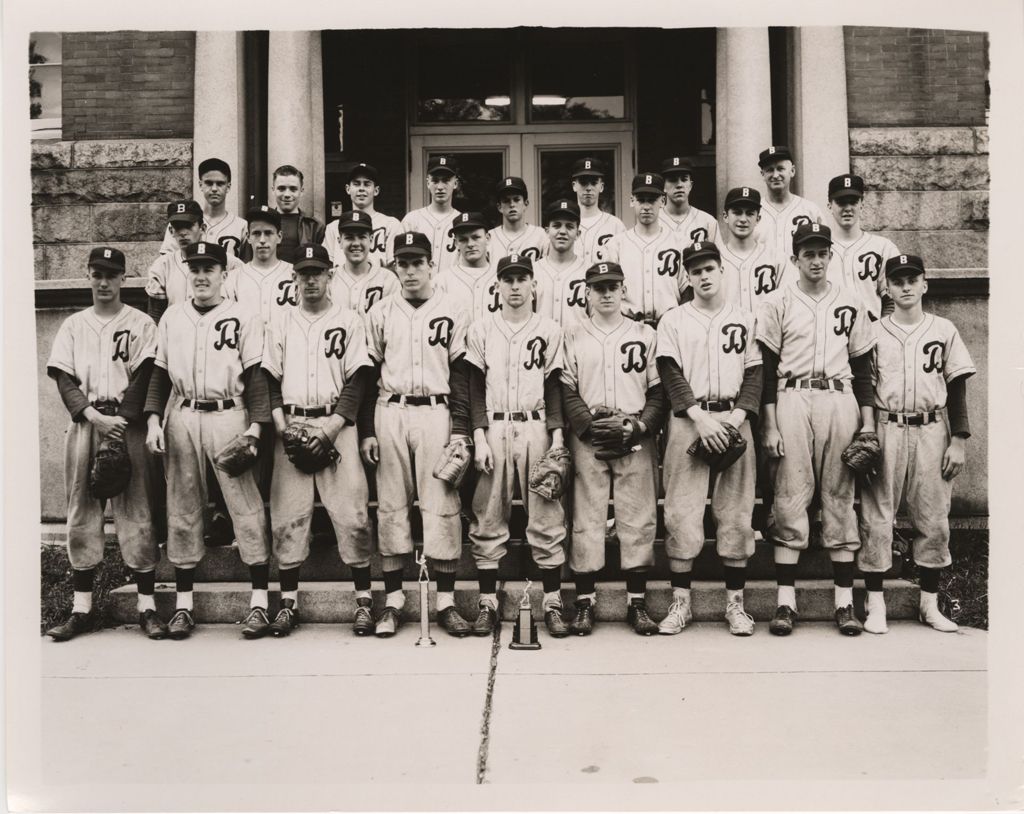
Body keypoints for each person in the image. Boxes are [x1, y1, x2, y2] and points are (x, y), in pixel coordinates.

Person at [143, 241, 272, 640]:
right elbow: (160, 374)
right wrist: (152, 419)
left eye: (209, 268)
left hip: (230, 414)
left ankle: (260, 602)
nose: (201, 275)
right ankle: (184, 607)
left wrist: (256, 427)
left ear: (223, 273)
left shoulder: (244, 315)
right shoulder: (172, 317)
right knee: (182, 507)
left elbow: (256, 376)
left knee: (245, 506)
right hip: (182, 414)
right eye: (194, 268)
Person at [756, 222, 876, 637]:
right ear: (794, 259)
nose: (816, 259)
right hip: (791, 396)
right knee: (790, 493)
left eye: (822, 251)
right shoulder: (777, 302)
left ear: (830, 255)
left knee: (840, 495)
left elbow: (863, 369)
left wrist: (868, 424)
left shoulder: (851, 301)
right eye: (808, 252)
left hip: (839, 397)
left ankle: (845, 603)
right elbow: (767, 370)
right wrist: (768, 423)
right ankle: (785, 603)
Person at [45, 247, 165, 641]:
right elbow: (64, 379)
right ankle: (82, 609)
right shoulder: (74, 325)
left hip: (126, 425)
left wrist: (122, 421)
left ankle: (147, 608)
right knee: (81, 510)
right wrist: (92, 416)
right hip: (86, 423)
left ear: (123, 279)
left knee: (138, 512)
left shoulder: (142, 322)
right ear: (88, 275)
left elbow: (147, 374)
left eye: (111, 275)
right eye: (97, 273)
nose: (103, 282)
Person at [359, 232, 473, 637]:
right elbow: (366, 373)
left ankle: (445, 602)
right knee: (390, 504)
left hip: (437, 412)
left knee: (442, 502)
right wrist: (367, 430)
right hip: (391, 409)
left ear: (430, 264)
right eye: (402, 263)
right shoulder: (380, 311)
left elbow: (461, 373)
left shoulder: (454, 308)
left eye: (416, 262)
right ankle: (393, 601)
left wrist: (461, 428)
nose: (409, 271)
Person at [262, 243, 377, 636]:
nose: (310, 280)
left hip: (337, 425)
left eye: (317, 272)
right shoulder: (280, 322)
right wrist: (283, 429)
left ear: (331, 276)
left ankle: (363, 601)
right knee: (288, 519)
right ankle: (287, 604)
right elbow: (268, 380)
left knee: (354, 516)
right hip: (293, 423)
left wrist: (331, 428)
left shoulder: (350, 319)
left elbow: (359, 380)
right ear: (293, 279)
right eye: (303, 273)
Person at [857, 254, 975, 634]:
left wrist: (958, 439)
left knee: (933, 516)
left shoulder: (943, 328)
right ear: (887, 288)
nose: (905, 286)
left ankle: (929, 604)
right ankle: (875, 604)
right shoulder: (874, 331)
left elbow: (957, 385)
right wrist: (868, 432)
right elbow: (865, 386)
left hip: (931, 427)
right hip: (888, 425)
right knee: (877, 514)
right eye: (898, 280)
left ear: (925, 284)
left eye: (912, 279)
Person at [655, 241, 762, 636]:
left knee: (735, 513)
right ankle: (680, 604)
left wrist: (734, 419)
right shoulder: (674, 319)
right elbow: (669, 373)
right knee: (682, 512)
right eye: (695, 270)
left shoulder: (746, 318)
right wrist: (698, 417)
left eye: (709, 268)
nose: (703, 275)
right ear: (688, 276)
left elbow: (755, 374)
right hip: (689, 419)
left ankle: (735, 605)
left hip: (734, 416)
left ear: (722, 271)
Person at [560, 261, 666, 635]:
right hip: (588, 433)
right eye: (598, 287)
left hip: (633, 431)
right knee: (586, 516)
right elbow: (567, 388)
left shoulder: (645, 333)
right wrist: (588, 429)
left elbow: (658, 391)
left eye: (612, 286)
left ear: (623, 290)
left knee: (637, 517)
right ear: (586, 292)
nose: (606, 293)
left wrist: (640, 427)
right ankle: (585, 603)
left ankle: (636, 603)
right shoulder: (572, 334)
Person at [466, 254, 568, 637]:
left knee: (545, 515)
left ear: (533, 284)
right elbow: (474, 388)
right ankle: (488, 602)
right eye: (507, 279)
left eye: (521, 278)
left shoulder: (549, 329)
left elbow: (555, 384)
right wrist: (478, 435)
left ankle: (553, 602)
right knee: (488, 515)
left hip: (535, 424)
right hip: (495, 425)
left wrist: (557, 436)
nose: (514, 286)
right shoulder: (481, 329)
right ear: (497, 285)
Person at [597, 172, 686, 324]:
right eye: (641, 200)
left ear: (663, 201)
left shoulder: (680, 243)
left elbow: (687, 291)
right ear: (632, 201)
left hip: (669, 324)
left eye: (652, 201)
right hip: (628, 325)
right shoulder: (616, 245)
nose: (646, 207)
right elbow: (606, 290)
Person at [825, 173, 901, 321]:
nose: (848, 208)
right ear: (829, 205)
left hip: (871, 332)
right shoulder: (818, 251)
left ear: (862, 204)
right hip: (830, 335)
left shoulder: (883, 248)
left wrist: (881, 330)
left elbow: (894, 298)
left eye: (853, 202)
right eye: (841, 202)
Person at [756, 146, 825, 280]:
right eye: (769, 170)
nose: (775, 175)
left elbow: (825, 253)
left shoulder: (810, 210)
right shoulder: (752, 213)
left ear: (792, 171)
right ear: (762, 174)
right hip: (762, 290)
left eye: (781, 168)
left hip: (802, 289)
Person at [158, 158, 249, 259]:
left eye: (220, 184)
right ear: (201, 185)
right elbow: (166, 263)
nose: (214, 189)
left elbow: (247, 268)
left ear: (228, 187)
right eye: (209, 183)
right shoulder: (179, 221)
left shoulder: (241, 226)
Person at [323, 163, 403, 270]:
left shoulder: (391, 224)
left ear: (376, 190)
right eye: (356, 184)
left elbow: (395, 266)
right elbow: (327, 266)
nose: (361, 189)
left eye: (367, 184)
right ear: (348, 189)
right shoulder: (333, 227)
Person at [232, 205, 298, 324]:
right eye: (256, 233)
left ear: (279, 237)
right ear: (248, 237)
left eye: (268, 233)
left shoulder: (295, 275)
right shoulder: (233, 279)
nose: (262, 240)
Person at [719, 186, 780, 313]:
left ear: (758, 219)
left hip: (766, 332)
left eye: (750, 213)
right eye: (737, 212)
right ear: (725, 216)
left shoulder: (777, 258)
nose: (743, 219)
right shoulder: (715, 260)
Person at [328, 210, 400, 315]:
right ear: (339, 241)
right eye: (349, 238)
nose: (356, 243)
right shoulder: (329, 280)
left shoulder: (388, 280)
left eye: (362, 237)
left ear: (371, 240)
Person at [533, 199, 589, 329]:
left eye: (569, 226)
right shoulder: (533, 271)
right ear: (547, 231)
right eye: (557, 225)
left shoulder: (590, 271)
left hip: (578, 347)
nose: (562, 231)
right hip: (541, 346)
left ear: (578, 234)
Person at [401, 155, 461, 274]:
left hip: (453, 290)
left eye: (446, 181)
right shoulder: (412, 220)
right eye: (435, 181)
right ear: (428, 182)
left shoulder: (462, 222)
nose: (440, 187)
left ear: (455, 183)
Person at [255, 164, 324, 264]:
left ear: (301, 191)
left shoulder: (315, 227)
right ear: (273, 190)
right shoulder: (260, 225)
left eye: (293, 189)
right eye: (281, 188)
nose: (287, 194)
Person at [437, 211, 499, 322]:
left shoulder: (502, 277)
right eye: (463, 239)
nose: (470, 244)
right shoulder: (442, 281)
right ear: (456, 243)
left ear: (488, 238)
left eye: (475, 237)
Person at [571, 157, 626, 266]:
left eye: (594, 183)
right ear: (574, 186)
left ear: (601, 187)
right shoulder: (565, 225)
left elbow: (624, 265)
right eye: (583, 182)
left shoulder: (616, 225)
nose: (588, 188)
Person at [487, 176, 549, 270]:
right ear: (499, 207)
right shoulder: (489, 237)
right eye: (506, 201)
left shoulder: (541, 235)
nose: (512, 205)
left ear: (526, 203)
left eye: (516, 199)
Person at [658, 156, 720, 245]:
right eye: (673, 180)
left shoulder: (708, 221)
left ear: (690, 185)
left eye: (684, 179)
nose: (679, 185)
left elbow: (718, 257)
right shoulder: (653, 221)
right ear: (663, 186)